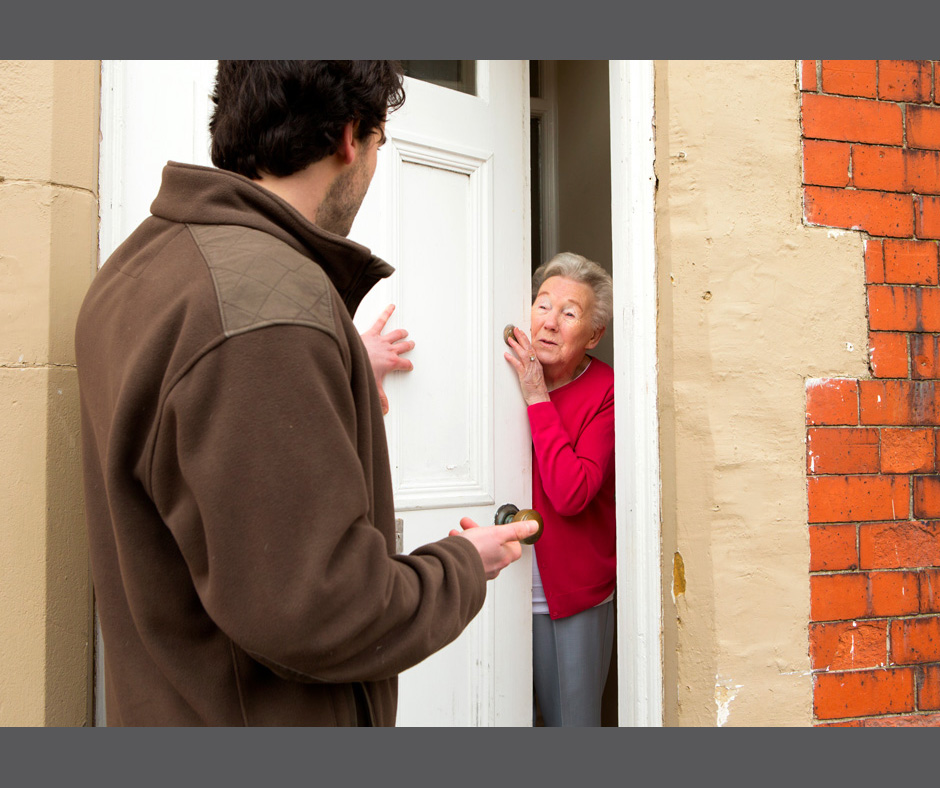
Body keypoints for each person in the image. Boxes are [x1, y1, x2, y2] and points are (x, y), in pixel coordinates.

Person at [74, 60, 536, 727]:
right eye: (380, 146)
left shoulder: (141, 266)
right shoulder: (269, 311)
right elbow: (322, 608)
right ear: (351, 138)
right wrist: (464, 565)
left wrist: (336, 370)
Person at [504, 252, 616, 727]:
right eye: (542, 305)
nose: (549, 323)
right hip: (498, 584)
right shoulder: (498, 374)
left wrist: (536, 397)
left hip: (570, 597)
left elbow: (572, 493)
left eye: (568, 313)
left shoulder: (607, 390)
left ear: (593, 334)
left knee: (571, 724)